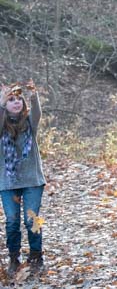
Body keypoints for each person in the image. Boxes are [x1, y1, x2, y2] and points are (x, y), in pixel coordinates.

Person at [0, 83, 46, 276]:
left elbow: (37, 112)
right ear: (5, 104)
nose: (16, 102)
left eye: (19, 99)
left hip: (32, 181)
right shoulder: (1, 125)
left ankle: (36, 257)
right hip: (8, 182)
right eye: (11, 100)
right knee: (12, 221)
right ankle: (14, 258)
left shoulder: (29, 122)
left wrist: (33, 95)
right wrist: (1, 103)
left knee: (31, 219)